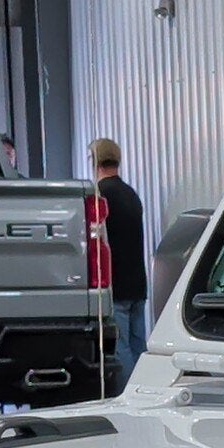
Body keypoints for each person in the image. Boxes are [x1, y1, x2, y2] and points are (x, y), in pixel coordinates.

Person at [90, 137, 149, 370]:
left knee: (120, 348)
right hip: (137, 283)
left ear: (94, 162)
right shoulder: (131, 194)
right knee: (138, 346)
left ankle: (127, 397)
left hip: (115, 285)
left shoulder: (99, 195)